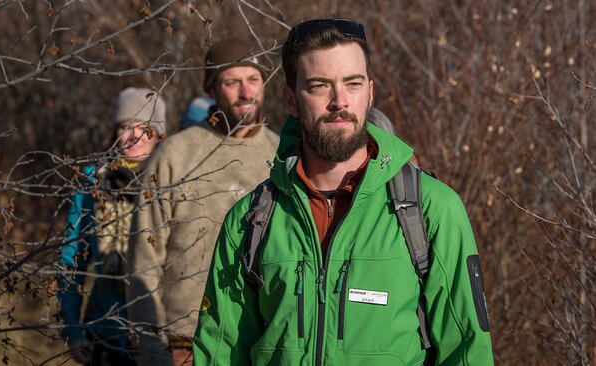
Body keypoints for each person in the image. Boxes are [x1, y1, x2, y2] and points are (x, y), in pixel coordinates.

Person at [193, 18, 494, 365]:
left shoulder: (431, 210)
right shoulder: (249, 221)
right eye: (320, 86)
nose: (339, 101)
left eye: (352, 83)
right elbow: (220, 354)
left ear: (370, 92)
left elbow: (467, 352)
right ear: (291, 100)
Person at [126, 38, 280, 365]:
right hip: (184, 344)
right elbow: (144, 258)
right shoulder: (176, 156)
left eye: (254, 80)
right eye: (232, 82)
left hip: (262, 341)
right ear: (212, 89)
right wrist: (150, 346)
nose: (246, 92)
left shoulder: (282, 157)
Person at [58, 87, 167, 366]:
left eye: (145, 128)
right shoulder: (94, 181)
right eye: (125, 126)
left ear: (160, 136)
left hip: (162, 330)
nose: (134, 137)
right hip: (105, 330)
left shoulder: (171, 182)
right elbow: (72, 257)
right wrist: (73, 328)